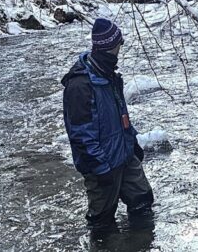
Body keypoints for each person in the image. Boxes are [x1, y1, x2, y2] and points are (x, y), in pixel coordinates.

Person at [61, 18, 154, 234]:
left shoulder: (110, 74)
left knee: (143, 202)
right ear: (111, 46)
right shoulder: (80, 86)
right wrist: (100, 169)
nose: (121, 47)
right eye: (120, 43)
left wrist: (132, 142)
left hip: (124, 155)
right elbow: (81, 136)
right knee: (102, 224)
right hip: (101, 166)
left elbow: (122, 116)